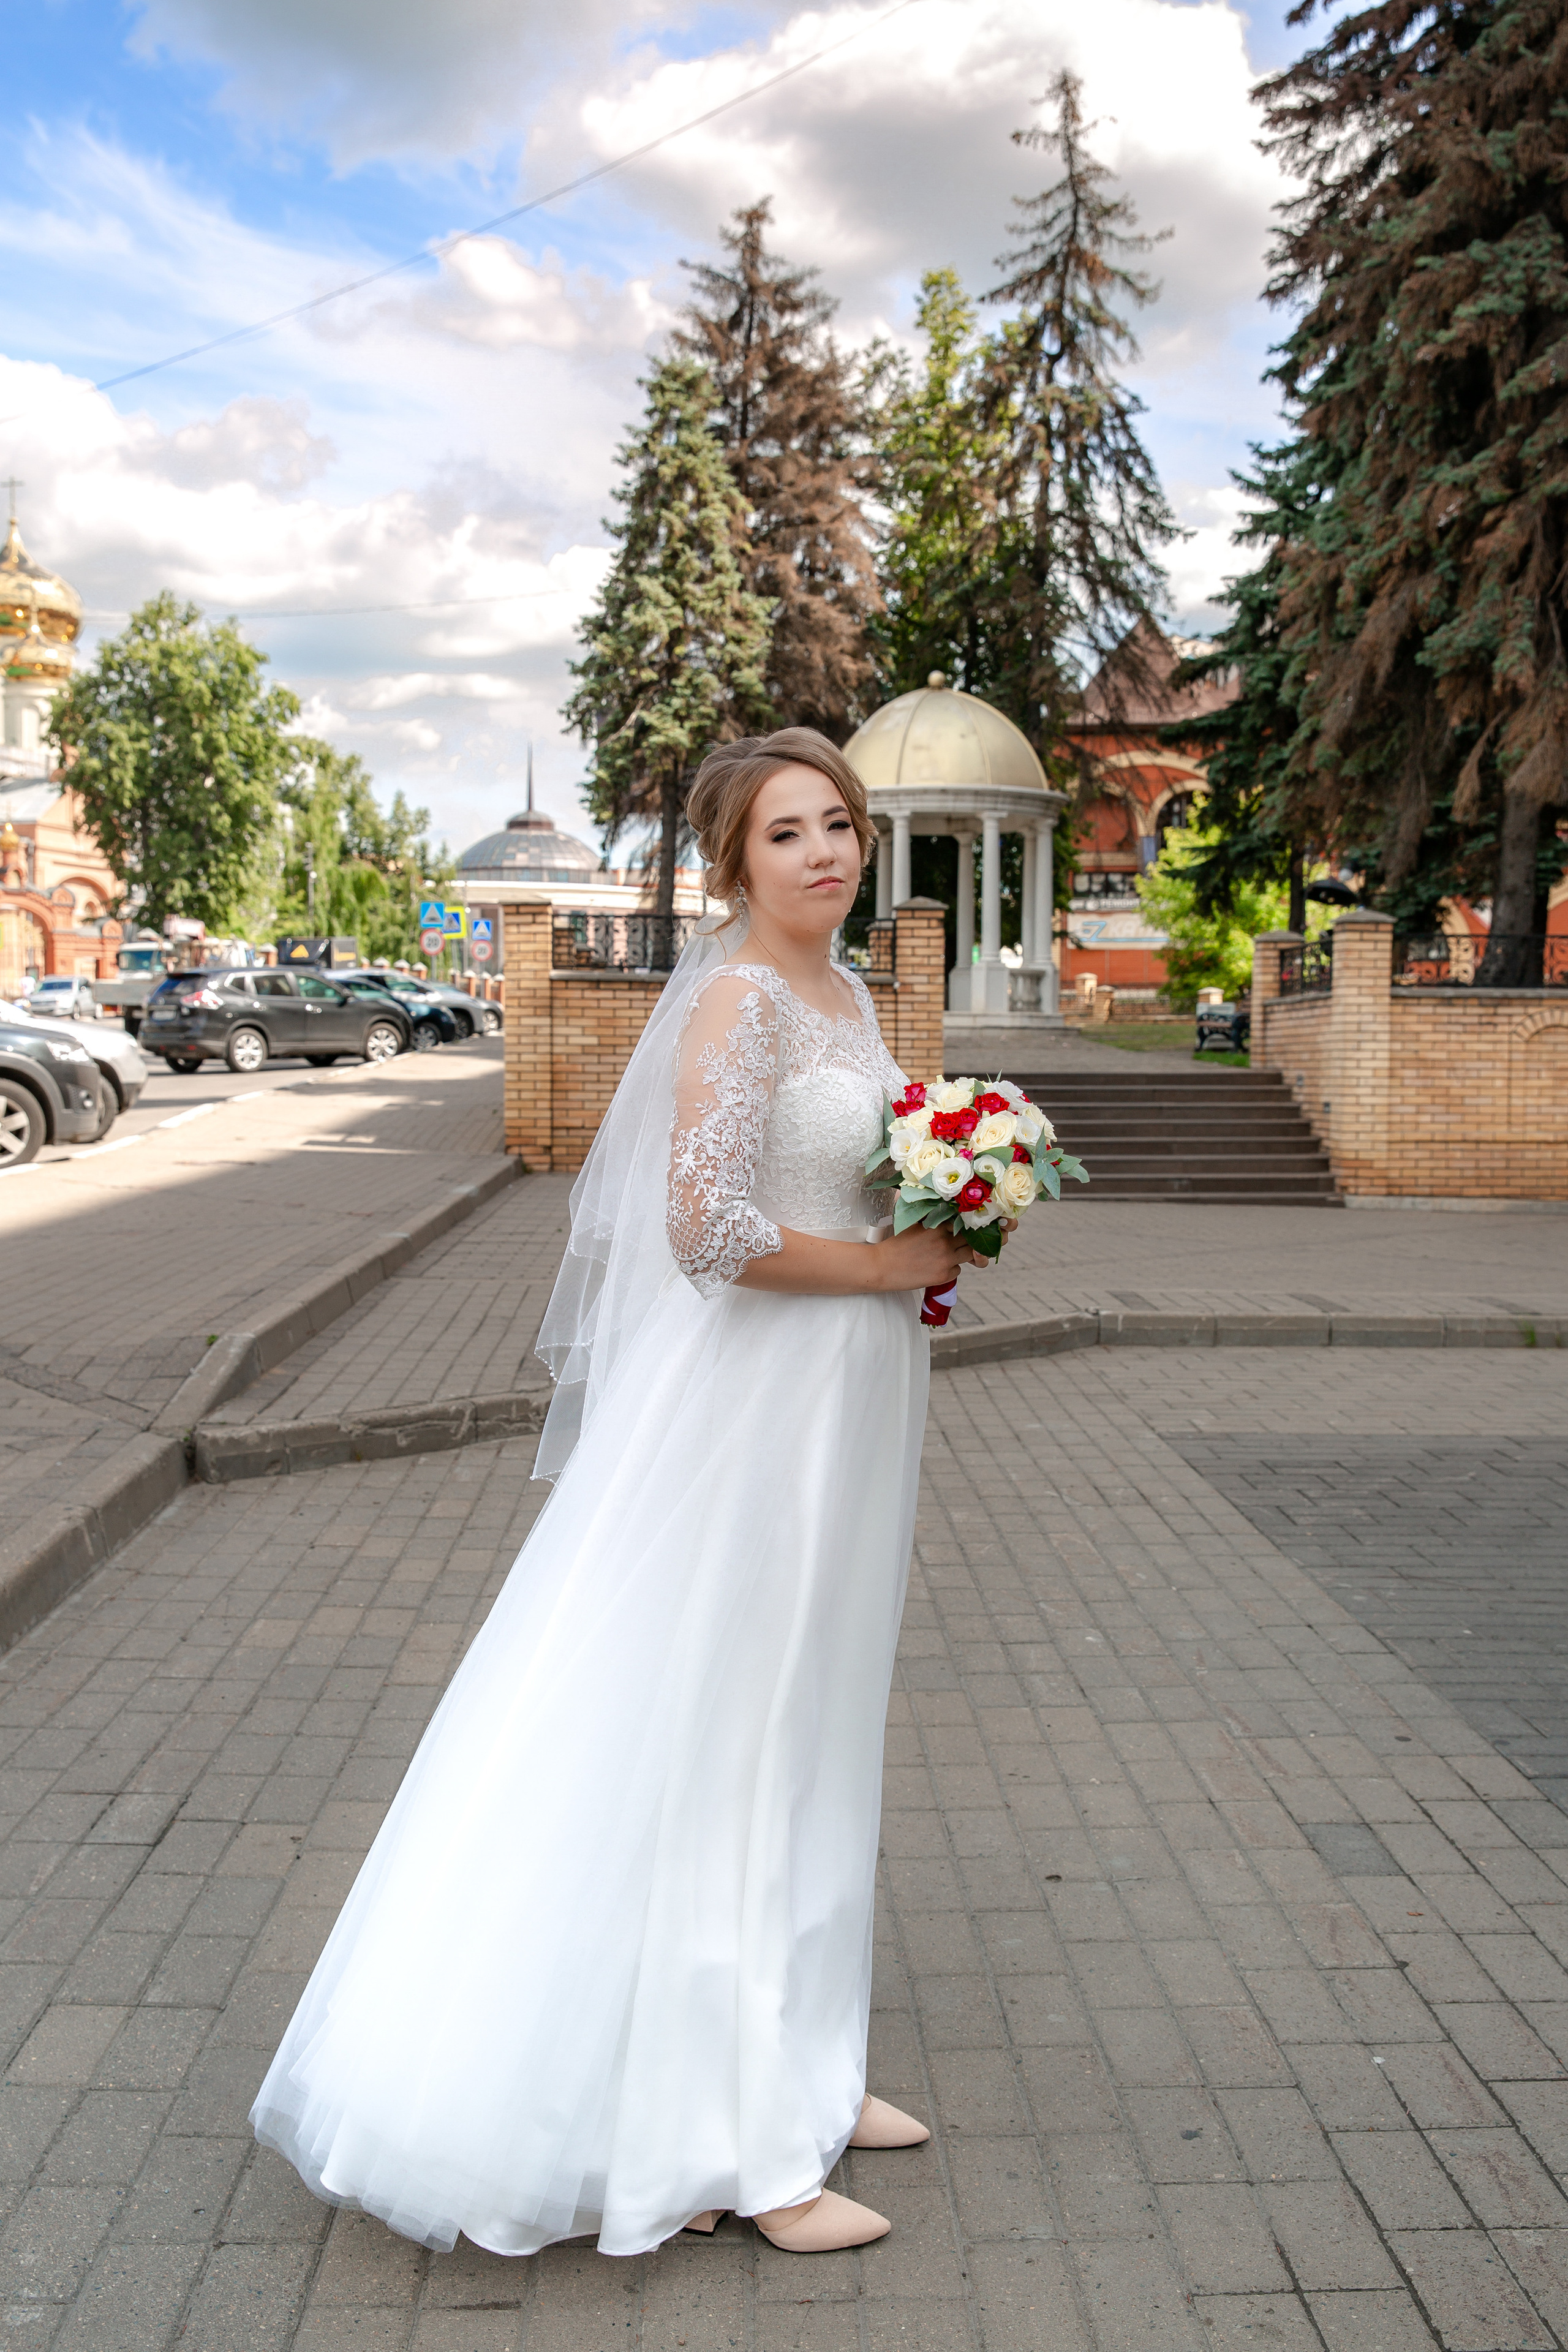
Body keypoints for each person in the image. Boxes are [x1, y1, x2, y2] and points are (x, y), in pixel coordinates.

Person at [251, 726, 1000, 2260]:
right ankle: (730, 2146)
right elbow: (707, 1230)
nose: (824, 853)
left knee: (812, 1720)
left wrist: (957, 1197)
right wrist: (886, 1262)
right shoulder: (733, 1001)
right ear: (734, 864)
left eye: (840, 826)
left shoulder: (849, 994)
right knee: (724, 1732)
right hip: (750, 1415)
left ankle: (800, 2065)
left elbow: (846, 1176)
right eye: (787, 834)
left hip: (847, 1399)